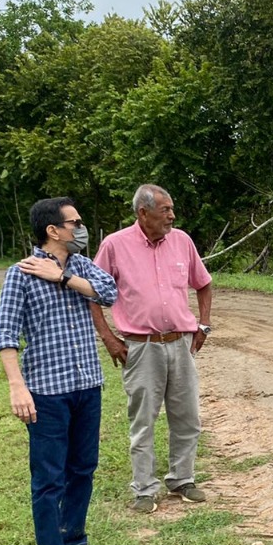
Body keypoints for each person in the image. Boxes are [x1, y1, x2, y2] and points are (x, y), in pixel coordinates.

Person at [0, 197, 118, 545]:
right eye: (75, 222)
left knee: (83, 467)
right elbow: (5, 334)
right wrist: (17, 386)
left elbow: (109, 293)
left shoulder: (81, 266)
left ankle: (74, 538)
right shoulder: (21, 274)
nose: (80, 228)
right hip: (47, 391)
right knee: (49, 478)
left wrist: (62, 277)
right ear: (53, 230)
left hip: (86, 384)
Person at [90, 185, 213, 514]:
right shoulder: (115, 245)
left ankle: (182, 478)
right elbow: (91, 294)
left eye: (172, 209)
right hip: (141, 347)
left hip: (180, 343)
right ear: (143, 213)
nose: (171, 216)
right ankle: (144, 487)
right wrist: (109, 338)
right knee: (143, 419)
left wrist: (203, 324)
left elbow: (203, 282)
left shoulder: (182, 240)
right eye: (165, 210)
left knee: (187, 416)